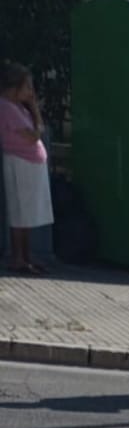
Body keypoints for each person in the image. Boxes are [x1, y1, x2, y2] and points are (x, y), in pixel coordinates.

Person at [1, 62, 51, 275]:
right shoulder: (6, 107)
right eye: (27, 87)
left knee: (27, 212)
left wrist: (34, 109)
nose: (31, 93)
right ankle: (18, 258)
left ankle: (26, 256)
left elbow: (38, 128)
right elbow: (33, 135)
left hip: (30, 164)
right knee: (20, 211)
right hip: (20, 162)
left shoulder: (20, 107)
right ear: (14, 88)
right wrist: (36, 111)